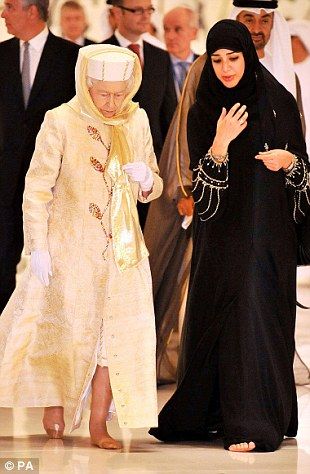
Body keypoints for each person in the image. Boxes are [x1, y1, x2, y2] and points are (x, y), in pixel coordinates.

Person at [149, 19, 310, 452]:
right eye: (216, 59)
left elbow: (304, 172)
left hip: (268, 238)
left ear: (248, 55)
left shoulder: (277, 98)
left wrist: (288, 162)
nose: (224, 68)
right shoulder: (205, 107)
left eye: (233, 58)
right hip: (222, 240)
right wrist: (219, 145)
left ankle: (259, 419)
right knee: (230, 319)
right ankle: (235, 420)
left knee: (259, 319)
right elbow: (202, 193)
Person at [0, 44, 162, 449]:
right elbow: (36, 189)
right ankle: (56, 403)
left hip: (123, 250)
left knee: (113, 336)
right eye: (103, 94)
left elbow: (154, 184)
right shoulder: (60, 120)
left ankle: (98, 424)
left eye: (119, 94)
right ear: (86, 85)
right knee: (68, 330)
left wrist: (146, 179)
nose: (112, 103)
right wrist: (37, 246)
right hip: (69, 247)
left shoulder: (137, 120)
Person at [0, 0, 79, 313]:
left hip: (54, 184)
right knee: (4, 261)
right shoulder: (1, 56)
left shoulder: (71, 57)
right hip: (4, 182)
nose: (3, 13)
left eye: (9, 7)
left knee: (51, 266)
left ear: (31, 10)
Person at [143, 55, 205, 383]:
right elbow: (182, 132)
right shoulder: (202, 70)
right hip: (194, 195)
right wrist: (183, 186)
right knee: (178, 280)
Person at [163, 6, 199, 99]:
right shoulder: (154, 65)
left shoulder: (205, 64)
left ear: (194, 33)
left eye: (178, 29)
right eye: (166, 29)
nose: (170, 36)